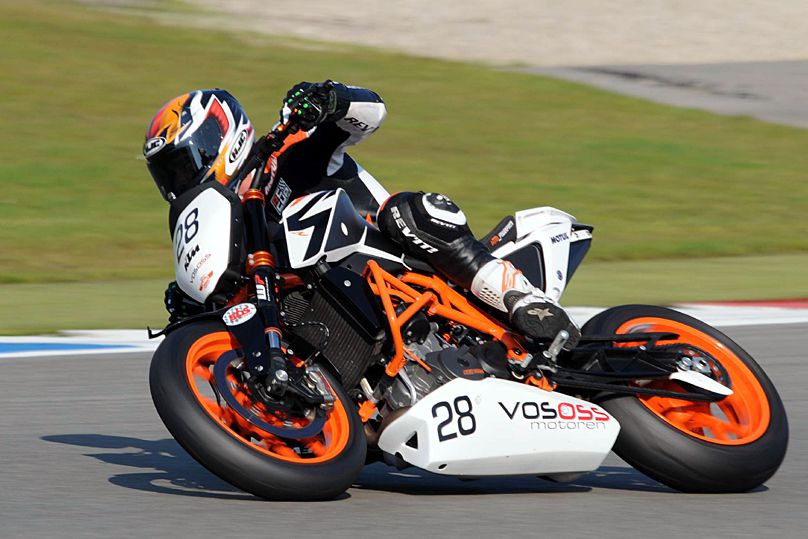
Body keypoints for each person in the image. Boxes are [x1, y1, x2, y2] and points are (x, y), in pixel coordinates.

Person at [143, 82, 580, 346]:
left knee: (407, 212)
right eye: (168, 175)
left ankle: (523, 300)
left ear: (220, 137)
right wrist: (192, 305)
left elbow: (372, 113)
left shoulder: (289, 149)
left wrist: (332, 99)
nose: (179, 182)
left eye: (182, 165)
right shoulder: (233, 225)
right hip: (338, 310)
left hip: (399, 258)